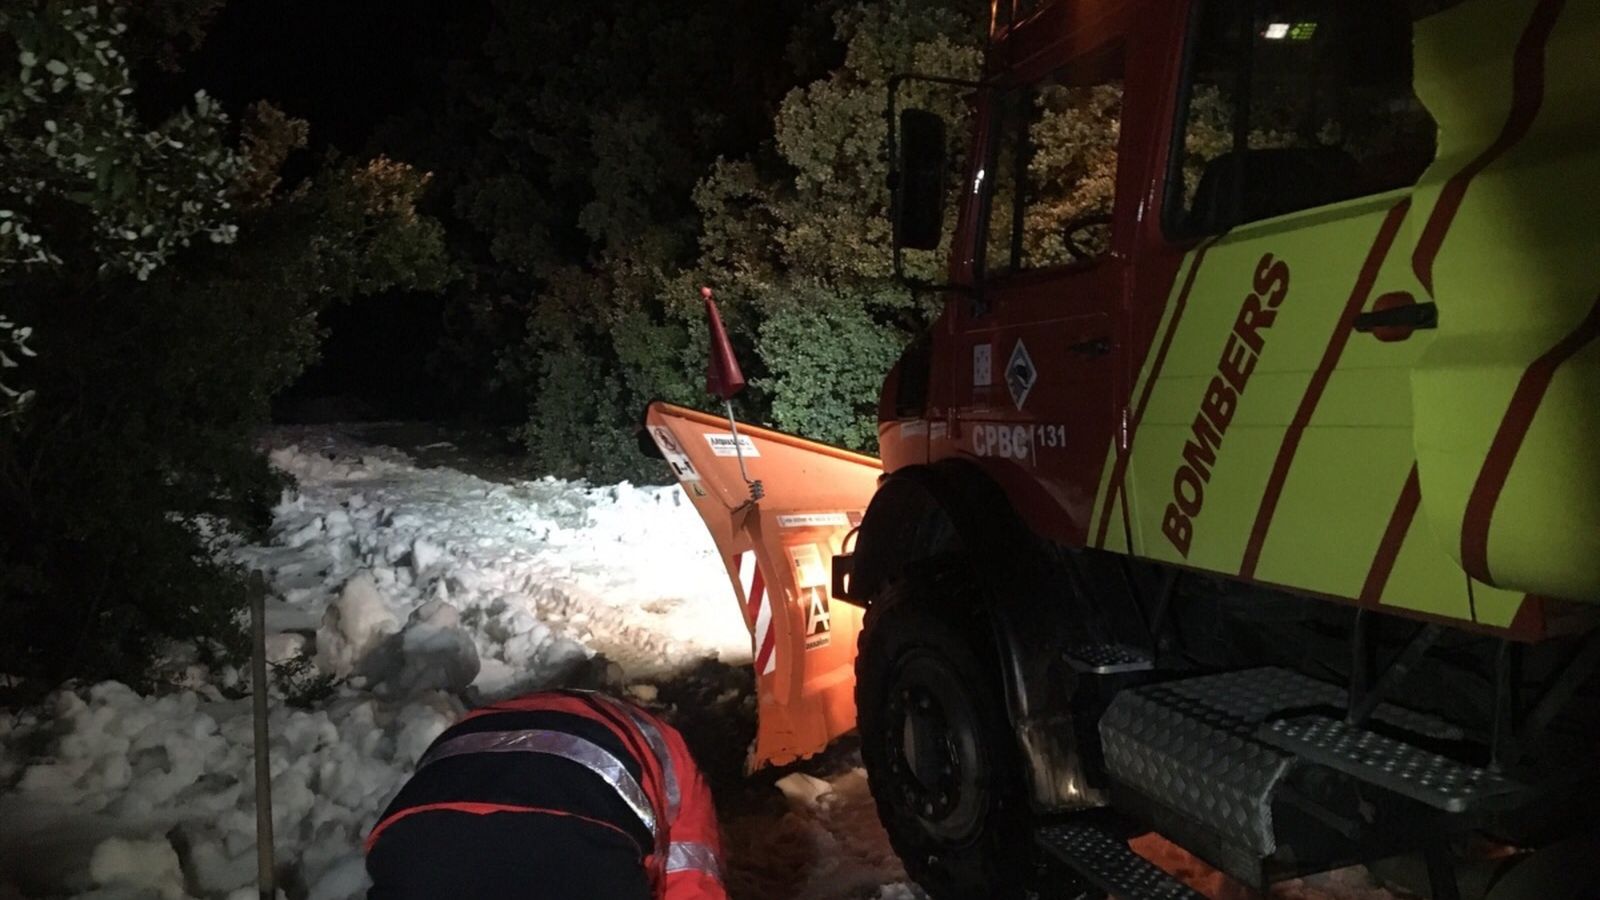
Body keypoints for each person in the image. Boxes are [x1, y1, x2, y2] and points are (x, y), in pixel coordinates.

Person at [365, 689, 727, 900]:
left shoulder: (490, 720)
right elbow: (690, 883)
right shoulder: (671, 756)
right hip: (574, 849)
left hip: (418, 846)